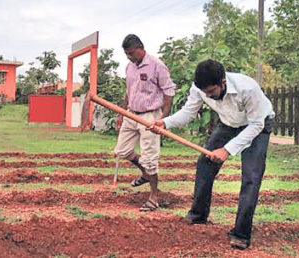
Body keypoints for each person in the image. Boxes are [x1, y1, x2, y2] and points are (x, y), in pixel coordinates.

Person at [149, 59, 274, 250]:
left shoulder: (248, 89)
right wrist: (165, 123)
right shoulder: (200, 88)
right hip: (228, 124)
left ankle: (241, 233)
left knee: (251, 177)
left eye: (211, 92)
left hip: (257, 125)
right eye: (205, 92)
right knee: (205, 164)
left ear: (222, 82)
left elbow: (257, 125)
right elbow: (188, 113)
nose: (208, 95)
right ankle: (198, 215)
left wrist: (226, 150)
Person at [114, 34, 176, 212]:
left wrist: (162, 120)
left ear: (141, 48)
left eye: (131, 53)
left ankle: (154, 197)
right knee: (122, 150)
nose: (129, 57)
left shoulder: (157, 65)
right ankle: (145, 174)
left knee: (149, 158)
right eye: (126, 54)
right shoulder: (129, 67)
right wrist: (121, 113)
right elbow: (129, 92)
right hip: (131, 114)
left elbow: (168, 92)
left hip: (150, 116)